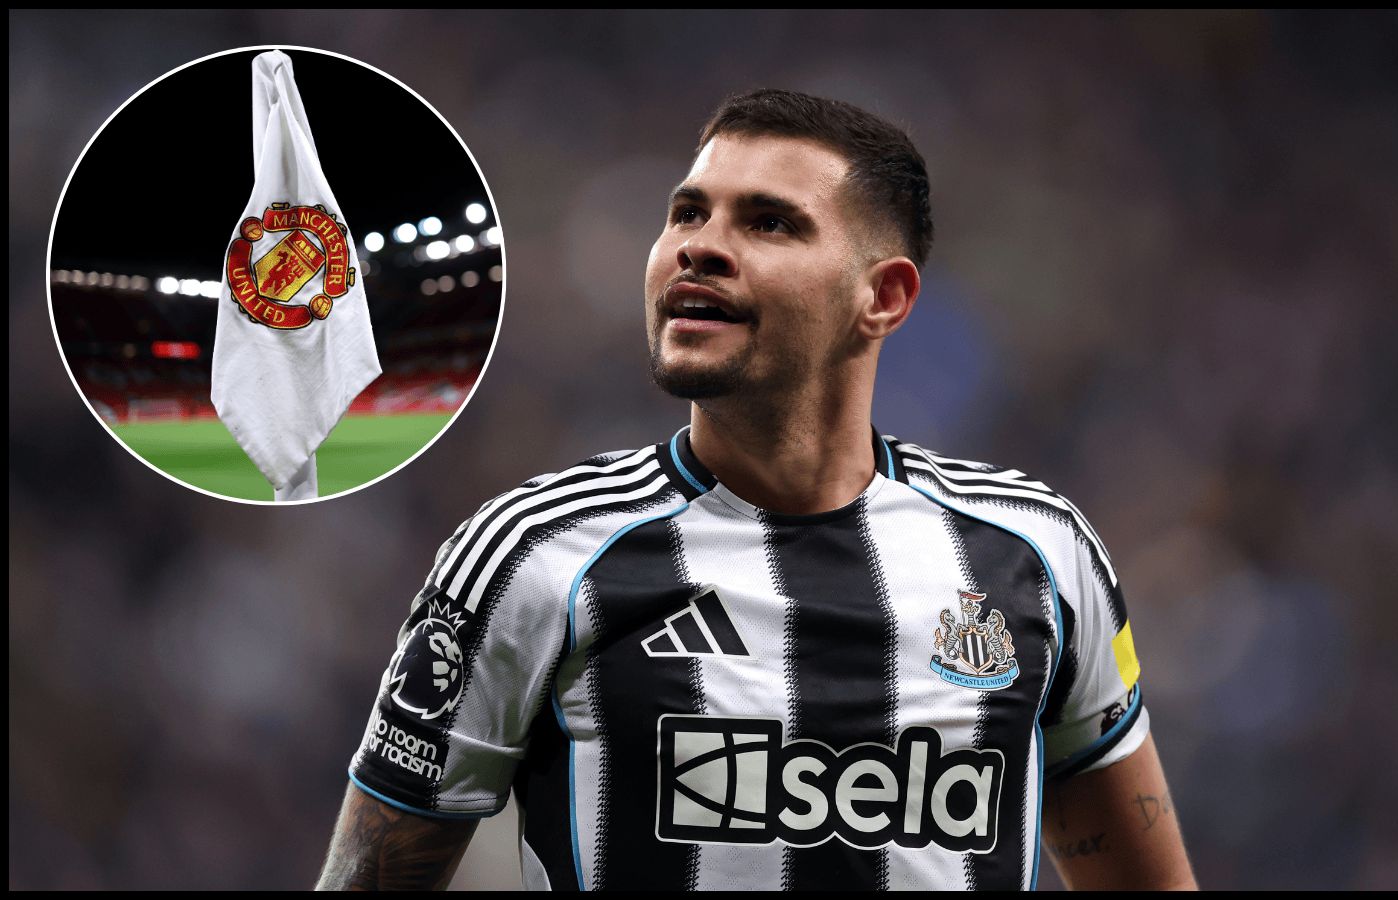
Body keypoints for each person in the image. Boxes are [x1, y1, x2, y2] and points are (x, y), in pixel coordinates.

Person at [316, 88, 1197, 891]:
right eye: (687, 212)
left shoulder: (1035, 553)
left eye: (769, 223)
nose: (700, 244)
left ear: (882, 298)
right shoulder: (534, 554)